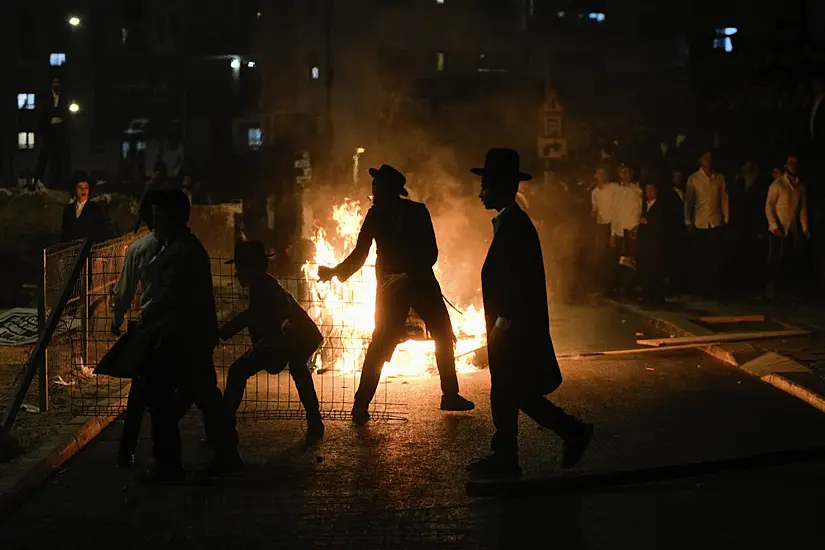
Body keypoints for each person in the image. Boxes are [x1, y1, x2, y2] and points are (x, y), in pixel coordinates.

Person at [467, 148, 593, 477]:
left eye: (485, 185)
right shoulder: (509, 222)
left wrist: (503, 323)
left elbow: (517, 280)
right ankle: (560, 435)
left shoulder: (515, 226)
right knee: (512, 390)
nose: (480, 192)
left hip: (513, 327)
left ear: (502, 187)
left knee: (510, 389)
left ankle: (530, 447)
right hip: (511, 325)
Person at [318, 164, 474, 423]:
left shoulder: (418, 212)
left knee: (444, 335)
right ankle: (361, 403)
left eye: (377, 186)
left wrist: (408, 275)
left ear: (389, 190)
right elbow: (360, 254)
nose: (373, 192)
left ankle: (450, 395)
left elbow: (431, 252)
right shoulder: (374, 216)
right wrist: (335, 271)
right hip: (392, 290)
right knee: (380, 343)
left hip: (421, 283)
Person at [137, 190, 241, 483]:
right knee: (199, 398)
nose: (153, 223)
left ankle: (172, 465)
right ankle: (223, 457)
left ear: (173, 218)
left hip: (181, 337)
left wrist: (151, 321)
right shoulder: (180, 246)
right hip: (187, 336)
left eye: (158, 216)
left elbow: (169, 297)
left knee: (169, 399)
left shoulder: (181, 252)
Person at [111, 190, 191, 468]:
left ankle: (131, 449)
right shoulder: (182, 246)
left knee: (144, 392)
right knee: (178, 387)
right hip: (176, 328)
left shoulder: (143, 249)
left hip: (153, 327)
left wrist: (117, 317)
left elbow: (125, 289)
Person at [219, 241, 325, 442]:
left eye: (239, 268)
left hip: (290, 337)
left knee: (237, 371)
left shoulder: (261, 285)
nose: (236, 273)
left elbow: (252, 316)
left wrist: (223, 332)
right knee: (299, 371)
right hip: (297, 336)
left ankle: (223, 429)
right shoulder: (264, 282)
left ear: (248, 268)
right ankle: (314, 421)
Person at [684, 148, 729, 297]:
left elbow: (723, 199)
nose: (708, 161)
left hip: (715, 221)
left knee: (715, 257)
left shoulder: (719, 178)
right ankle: (700, 288)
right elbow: (689, 201)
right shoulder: (694, 178)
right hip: (700, 222)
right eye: (705, 158)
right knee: (700, 257)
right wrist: (688, 220)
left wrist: (726, 218)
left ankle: (713, 288)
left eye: (710, 158)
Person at [765, 154, 810, 299]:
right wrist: (774, 225)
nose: (793, 166)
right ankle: (772, 292)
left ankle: (785, 292)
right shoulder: (778, 185)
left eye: (795, 163)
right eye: (790, 163)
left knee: (789, 260)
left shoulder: (800, 187)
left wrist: (805, 228)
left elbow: (803, 209)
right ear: (785, 166)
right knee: (776, 260)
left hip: (792, 229)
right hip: (778, 229)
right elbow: (769, 206)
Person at [610, 163, 643, 296]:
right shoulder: (616, 191)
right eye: (622, 172)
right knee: (620, 260)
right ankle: (621, 287)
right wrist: (612, 233)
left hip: (631, 230)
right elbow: (615, 212)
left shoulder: (637, 190)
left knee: (631, 260)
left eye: (627, 172)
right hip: (619, 230)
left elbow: (640, 211)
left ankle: (631, 288)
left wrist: (637, 228)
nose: (624, 175)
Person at [35, 77, 70, 190]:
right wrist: (50, 121)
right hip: (48, 132)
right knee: (44, 156)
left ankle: (58, 183)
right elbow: (42, 114)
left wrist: (61, 120)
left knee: (58, 158)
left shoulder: (64, 98)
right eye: (54, 82)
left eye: (58, 82)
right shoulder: (45, 97)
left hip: (59, 134)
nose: (56, 85)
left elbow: (66, 114)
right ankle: (37, 181)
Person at [637, 183, 669, 304]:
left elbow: (661, 225)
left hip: (656, 244)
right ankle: (648, 294)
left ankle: (656, 295)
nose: (649, 193)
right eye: (647, 190)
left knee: (655, 270)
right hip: (646, 244)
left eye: (652, 190)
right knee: (646, 269)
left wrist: (647, 223)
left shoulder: (660, 207)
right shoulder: (644, 206)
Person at [590, 165, 618, 294]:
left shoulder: (613, 188)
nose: (599, 176)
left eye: (601, 173)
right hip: (600, 226)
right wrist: (593, 213)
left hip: (612, 224)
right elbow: (595, 208)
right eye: (597, 173)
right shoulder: (594, 192)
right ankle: (602, 285)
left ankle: (613, 286)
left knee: (612, 256)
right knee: (601, 256)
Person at [60, 171, 107, 243]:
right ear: (74, 189)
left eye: (86, 187)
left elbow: (100, 233)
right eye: (80, 187)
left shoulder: (95, 208)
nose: (83, 190)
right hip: (71, 250)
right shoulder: (68, 210)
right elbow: (64, 234)